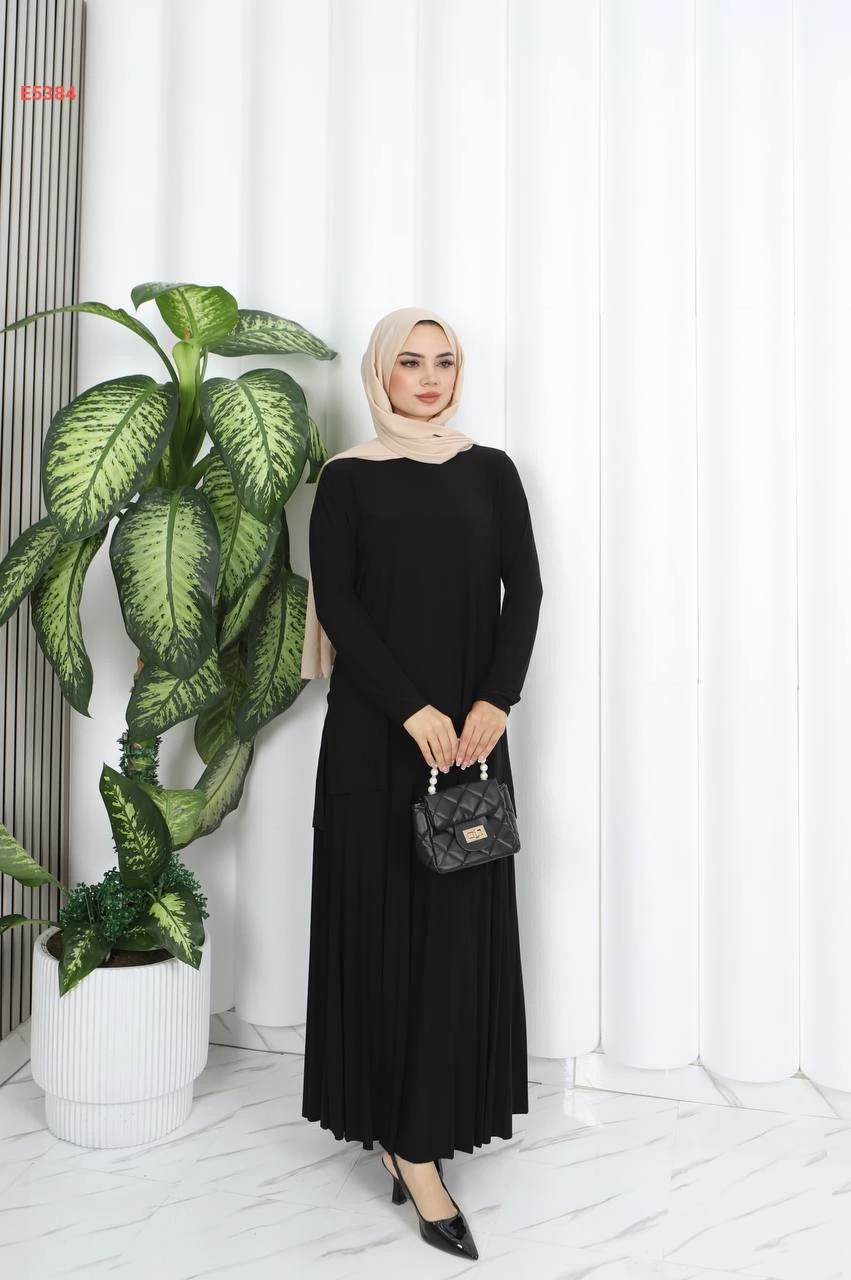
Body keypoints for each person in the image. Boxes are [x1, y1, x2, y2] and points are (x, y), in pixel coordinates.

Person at [299, 306, 543, 1260]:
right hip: (377, 736)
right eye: (410, 361)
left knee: (453, 934)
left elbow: (524, 590)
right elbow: (339, 602)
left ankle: (426, 1125)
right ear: (381, 373)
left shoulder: (491, 471)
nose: (430, 377)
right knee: (383, 928)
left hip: (471, 738)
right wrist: (411, 710)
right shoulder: (347, 479)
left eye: (444, 361)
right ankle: (406, 1146)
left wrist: (495, 702)